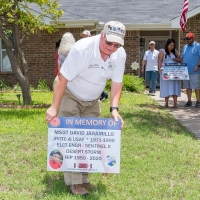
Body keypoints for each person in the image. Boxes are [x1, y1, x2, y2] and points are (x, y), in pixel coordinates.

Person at [45, 21, 126, 196]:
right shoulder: (82, 49)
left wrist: (114, 109)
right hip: (71, 94)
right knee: (75, 139)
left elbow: (117, 83)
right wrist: (54, 107)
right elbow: (62, 78)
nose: (112, 47)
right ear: (102, 35)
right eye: (109, 42)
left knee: (88, 139)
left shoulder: (119, 54)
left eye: (116, 44)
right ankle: (74, 184)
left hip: (92, 99)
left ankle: (84, 179)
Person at [81, 30, 109, 101]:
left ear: (89, 36)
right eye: (82, 36)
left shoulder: (93, 44)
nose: (83, 37)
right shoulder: (82, 44)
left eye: (84, 35)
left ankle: (102, 95)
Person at [181, 32, 200, 108]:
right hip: (185, 70)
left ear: (192, 38)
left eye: (188, 39)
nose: (187, 40)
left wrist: (198, 65)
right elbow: (182, 58)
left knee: (196, 86)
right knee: (188, 87)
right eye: (186, 39)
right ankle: (189, 101)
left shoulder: (198, 46)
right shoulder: (185, 47)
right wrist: (178, 61)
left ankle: (198, 101)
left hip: (194, 70)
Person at [158, 39, 182, 108]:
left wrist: (177, 59)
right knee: (166, 86)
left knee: (175, 86)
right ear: (167, 45)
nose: (172, 47)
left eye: (173, 45)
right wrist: (159, 68)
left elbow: (180, 60)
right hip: (166, 72)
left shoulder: (175, 52)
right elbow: (159, 61)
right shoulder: (163, 51)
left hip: (174, 72)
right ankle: (166, 103)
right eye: (170, 45)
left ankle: (175, 103)